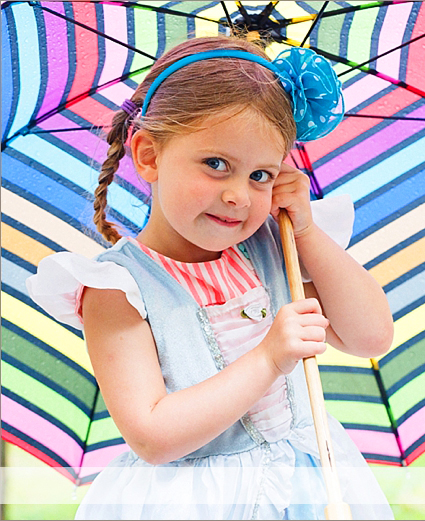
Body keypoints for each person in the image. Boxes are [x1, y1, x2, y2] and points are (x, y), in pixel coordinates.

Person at [26, 35, 394, 520]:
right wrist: (267, 357)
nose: (240, 196)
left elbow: (370, 336)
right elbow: (153, 435)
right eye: (217, 165)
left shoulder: (272, 247)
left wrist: (305, 232)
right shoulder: (120, 290)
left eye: (261, 175)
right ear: (149, 156)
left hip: (308, 487)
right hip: (195, 501)